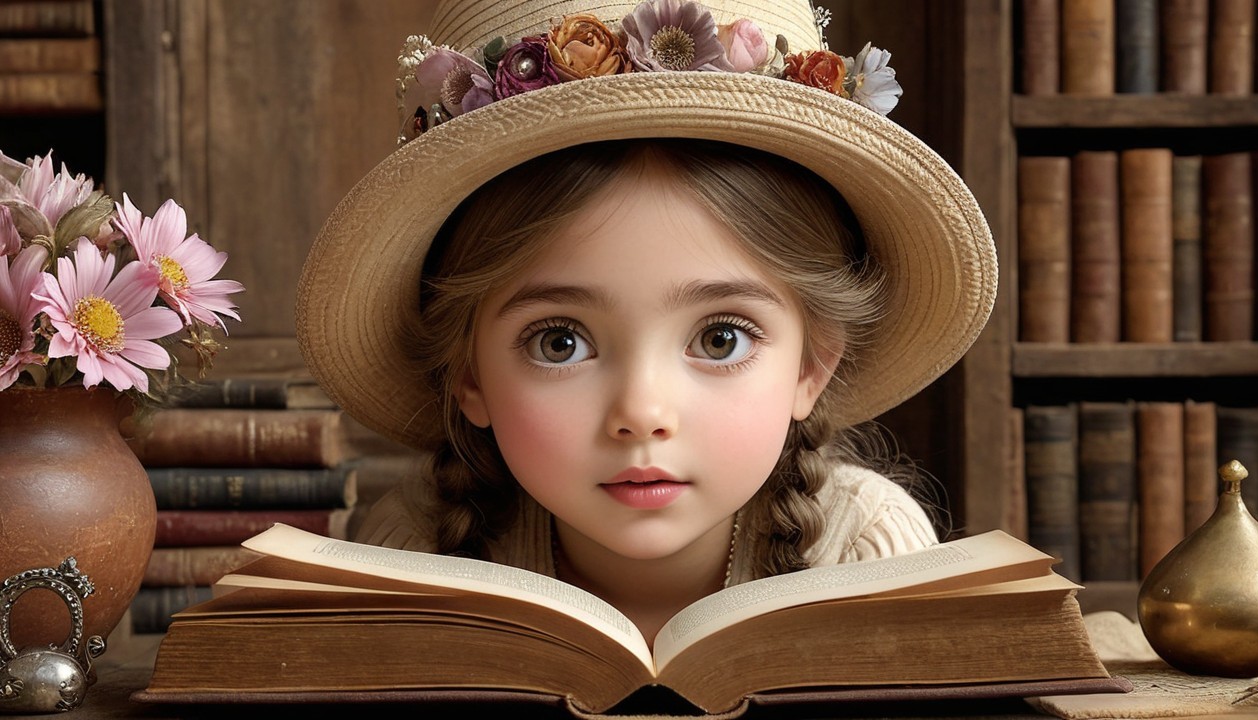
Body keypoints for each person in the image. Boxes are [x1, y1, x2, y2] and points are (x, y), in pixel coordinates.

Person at [294, 0, 997, 647]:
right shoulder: (412, 554)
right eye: (559, 341)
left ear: (811, 367)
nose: (642, 415)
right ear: (469, 373)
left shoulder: (868, 548)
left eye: (720, 338)